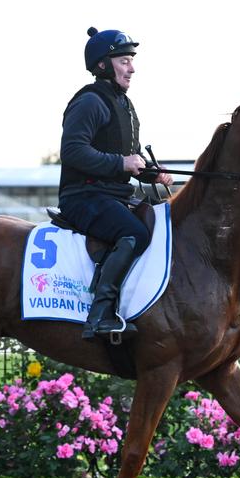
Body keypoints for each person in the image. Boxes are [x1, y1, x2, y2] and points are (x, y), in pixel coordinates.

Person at [59, 27, 173, 341]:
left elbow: (128, 158)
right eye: (124, 61)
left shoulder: (125, 105)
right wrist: (122, 163)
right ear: (102, 65)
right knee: (133, 232)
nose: (132, 68)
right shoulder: (90, 101)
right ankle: (100, 314)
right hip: (83, 196)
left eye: (131, 61)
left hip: (114, 194)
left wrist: (151, 172)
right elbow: (71, 151)